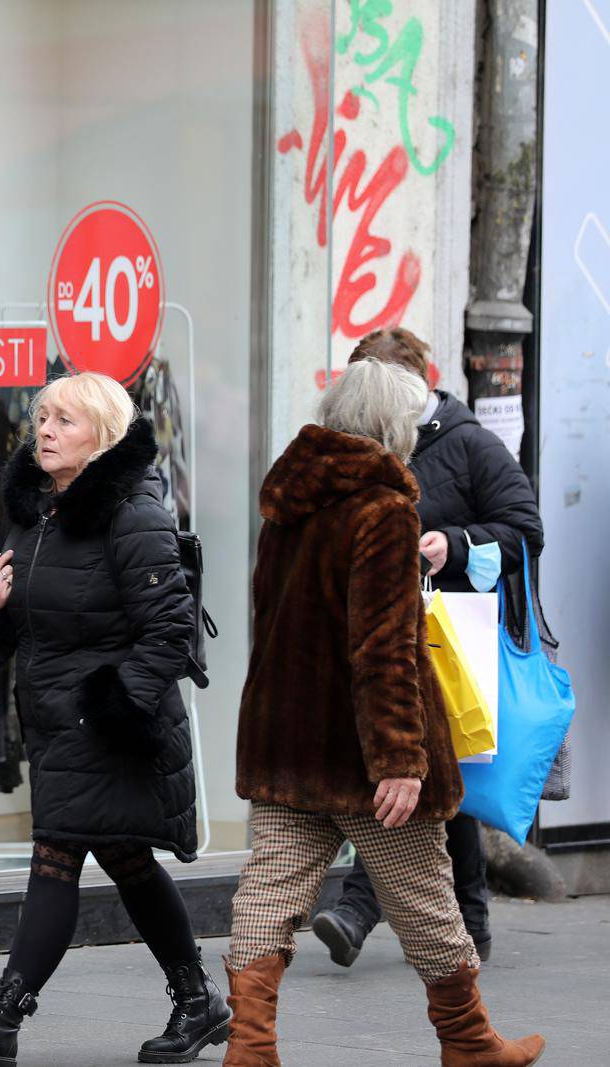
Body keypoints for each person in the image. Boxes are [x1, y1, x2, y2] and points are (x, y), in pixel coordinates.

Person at [223, 359, 543, 1066]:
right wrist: (399, 759)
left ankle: (249, 1050)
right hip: (362, 755)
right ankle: (469, 1043)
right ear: (393, 426)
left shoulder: (288, 503)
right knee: (429, 903)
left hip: (286, 741)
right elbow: (384, 649)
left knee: (267, 891)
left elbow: (274, 622)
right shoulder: (384, 510)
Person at [0, 374, 224, 1066]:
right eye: (42, 415)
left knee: (57, 853)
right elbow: (17, 635)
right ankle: (198, 998)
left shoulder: (132, 512)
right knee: (125, 858)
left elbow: (170, 631)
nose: (45, 427)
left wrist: (113, 706)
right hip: (58, 724)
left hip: (106, 725)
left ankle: (2, 1017)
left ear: (102, 433)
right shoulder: (40, 515)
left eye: (65, 418)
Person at [311, 328, 544, 967]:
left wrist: (456, 544)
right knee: (438, 777)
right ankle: (466, 919)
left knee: (418, 769)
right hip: (370, 634)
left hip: (446, 640)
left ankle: (360, 908)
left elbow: (526, 532)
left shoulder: (469, 445)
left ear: (417, 384)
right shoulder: (355, 448)